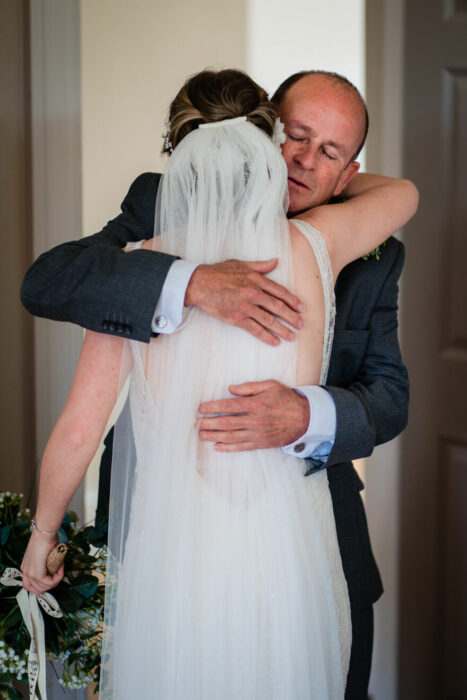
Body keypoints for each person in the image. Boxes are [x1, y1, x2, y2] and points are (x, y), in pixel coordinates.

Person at [20, 70, 415, 698]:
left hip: (266, 555)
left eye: (330, 153)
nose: (306, 162)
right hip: (228, 553)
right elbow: (44, 282)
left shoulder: (142, 256)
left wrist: (307, 415)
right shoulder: (316, 246)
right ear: (268, 132)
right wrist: (191, 283)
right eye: (297, 137)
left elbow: (390, 398)